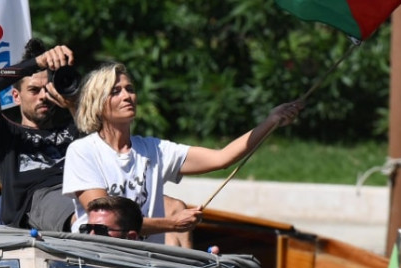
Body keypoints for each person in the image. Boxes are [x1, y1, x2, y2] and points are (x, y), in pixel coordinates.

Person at [62, 62, 302, 244]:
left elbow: (222, 158)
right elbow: (106, 223)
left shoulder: (153, 149)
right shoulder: (83, 151)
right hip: (97, 261)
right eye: (115, 91)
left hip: (147, 263)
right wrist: (172, 223)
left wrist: (271, 121)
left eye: (130, 89)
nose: (128, 96)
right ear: (97, 103)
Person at [0, 38, 80, 231]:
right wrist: (36, 63)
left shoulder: (72, 129)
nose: (42, 96)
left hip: (80, 196)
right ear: (16, 96)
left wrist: (74, 105)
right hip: (37, 207)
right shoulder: (6, 134)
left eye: (47, 89)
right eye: (34, 90)